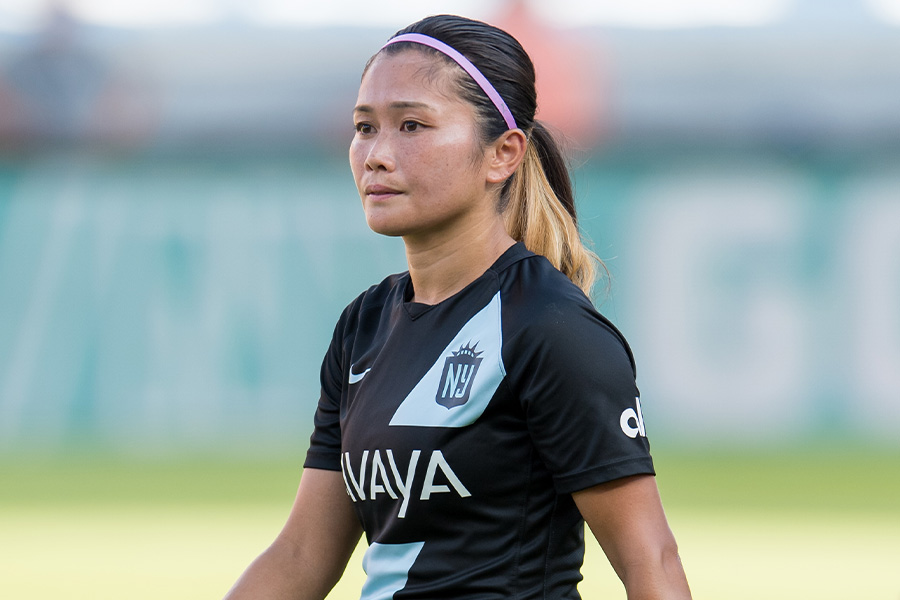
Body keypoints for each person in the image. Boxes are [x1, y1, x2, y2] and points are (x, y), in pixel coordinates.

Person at [224, 14, 691, 600]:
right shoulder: (364, 326)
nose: (376, 155)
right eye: (364, 127)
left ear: (503, 154)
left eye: (412, 125)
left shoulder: (550, 328)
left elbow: (652, 561)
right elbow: (300, 557)